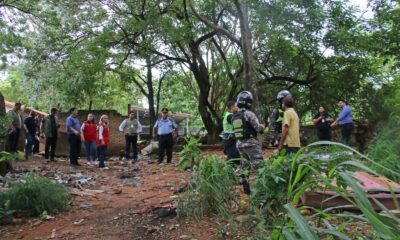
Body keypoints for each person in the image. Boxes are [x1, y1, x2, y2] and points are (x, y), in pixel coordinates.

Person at [231, 91, 265, 195]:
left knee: (244, 167)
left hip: (240, 145)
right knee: (260, 166)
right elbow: (259, 129)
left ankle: (246, 190)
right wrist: (263, 126)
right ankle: (262, 190)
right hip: (251, 144)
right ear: (249, 102)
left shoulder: (234, 116)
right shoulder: (249, 114)